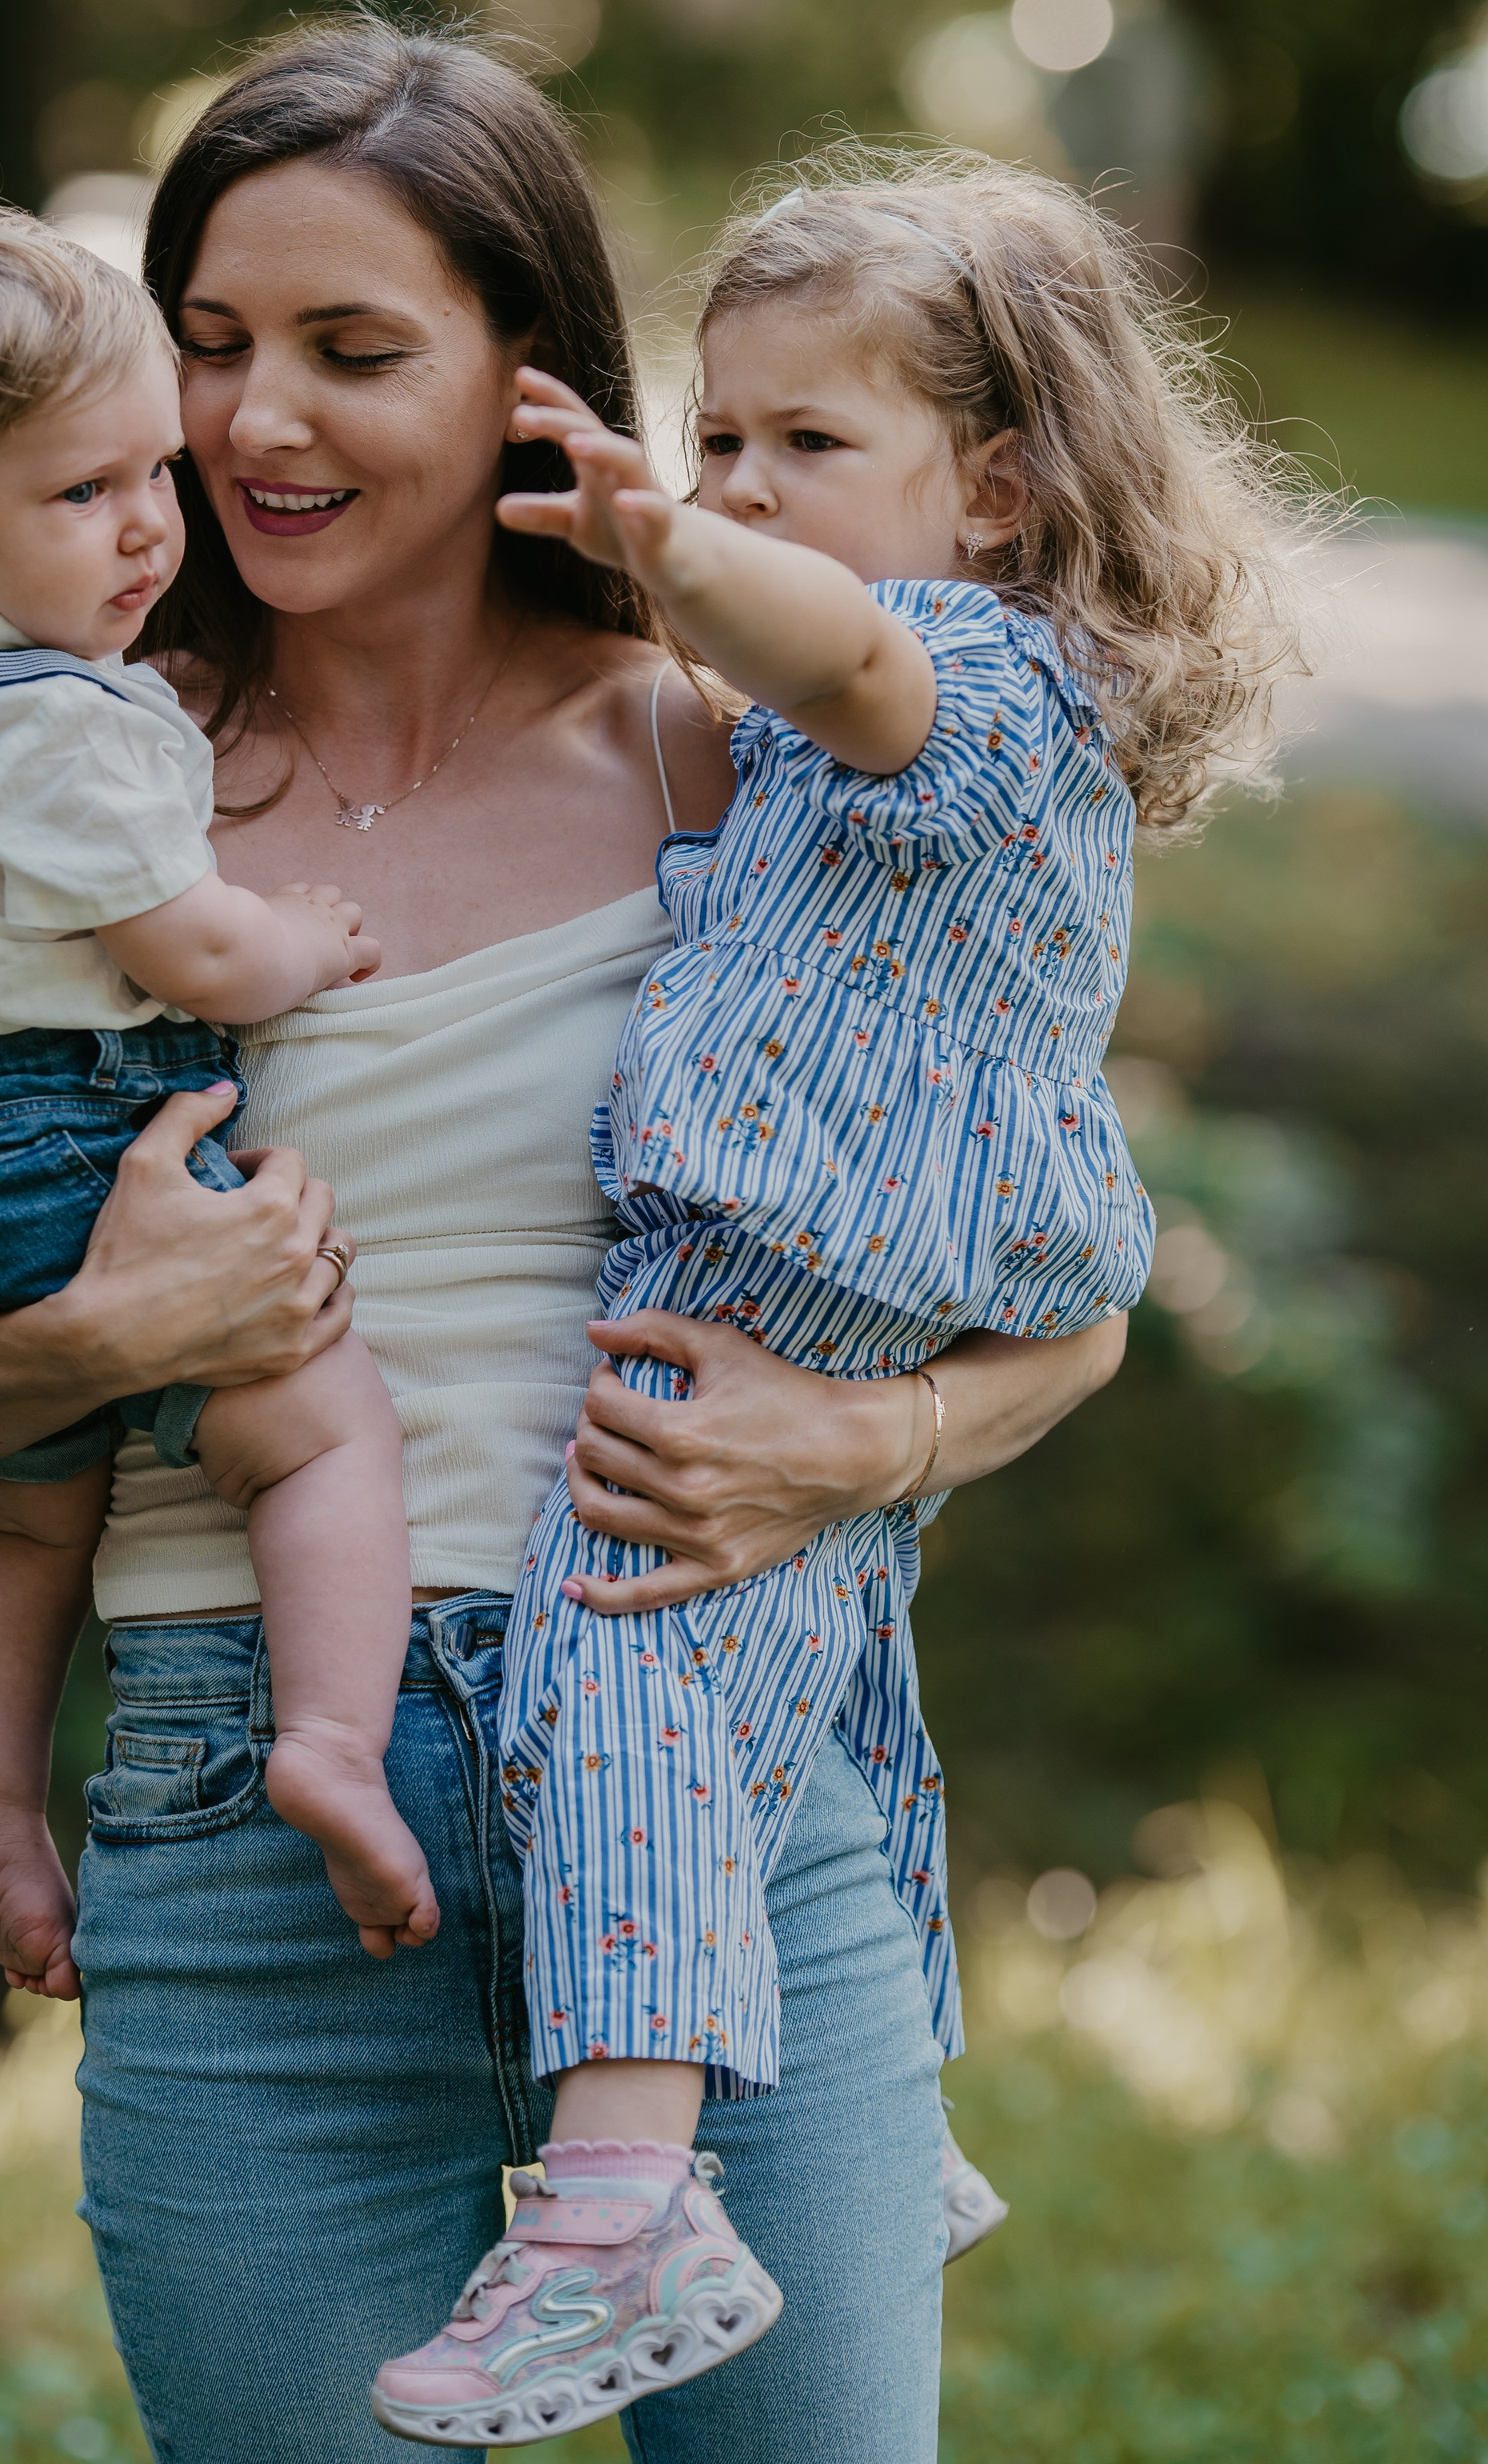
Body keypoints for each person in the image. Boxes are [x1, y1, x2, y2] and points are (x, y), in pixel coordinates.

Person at [0, 21, 1128, 2464]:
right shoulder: (65, 792)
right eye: (209, 343)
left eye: (352, 352)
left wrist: (867, 1437)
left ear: (531, 380)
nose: (257, 419)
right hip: (249, 1814)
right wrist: (119, 1321)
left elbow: (1068, 1283)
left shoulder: (736, 750)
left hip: (714, 1775)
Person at [372, 147, 1317, 2445]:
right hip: (775, 1266)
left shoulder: (983, 685)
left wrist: (657, 542)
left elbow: (849, 650)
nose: (746, 481)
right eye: (722, 433)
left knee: (628, 1683)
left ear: (995, 492)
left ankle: (618, 2205)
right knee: (801, 1683)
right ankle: (884, 2127)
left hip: (805, 1271)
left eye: (813, 442)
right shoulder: (813, 721)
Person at [0, 186, 437, 1986]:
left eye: (152, 471)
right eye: (83, 495)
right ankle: (331, 1742)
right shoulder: (59, 723)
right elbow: (194, 957)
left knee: (26, 1512)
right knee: (318, 1423)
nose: (149, 527)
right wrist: (301, 934)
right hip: (47, 1135)